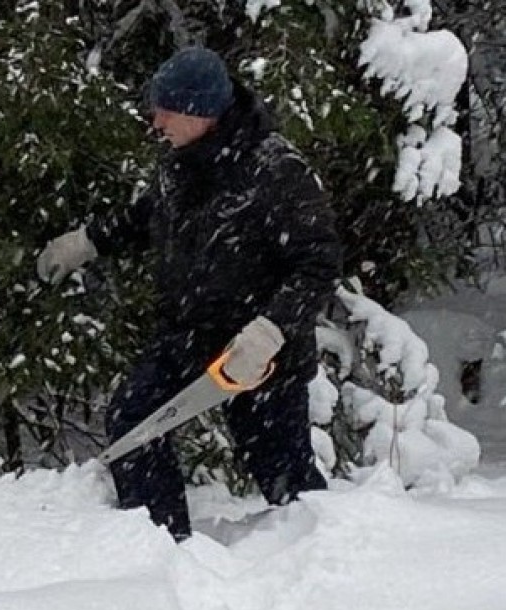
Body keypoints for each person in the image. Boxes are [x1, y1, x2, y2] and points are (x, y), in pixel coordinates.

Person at [36, 46, 342, 541]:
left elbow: (317, 264)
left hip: (260, 355)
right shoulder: (179, 165)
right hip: (189, 336)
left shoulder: (277, 169)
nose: (156, 121)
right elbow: (147, 217)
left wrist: (269, 332)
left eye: (168, 110)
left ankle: (332, 560)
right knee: (134, 422)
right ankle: (160, 548)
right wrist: (87, 242)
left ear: (202, 111)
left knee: (285, 478)